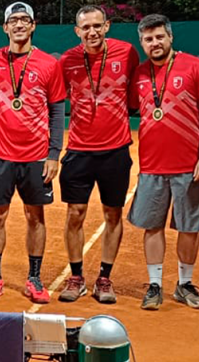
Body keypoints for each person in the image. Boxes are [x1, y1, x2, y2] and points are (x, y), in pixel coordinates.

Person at [128, 14, 199, 310]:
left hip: (189, 166)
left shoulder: (196, 67)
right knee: (152, 226)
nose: (154, 43)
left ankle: (184, 284)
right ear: (142, 42)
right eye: (148, 39)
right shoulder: (139, 74)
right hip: (151, 165)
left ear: (170, 37)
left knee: (188, 227)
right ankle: (155, 284)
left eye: (159, 37)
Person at [0, 2, 66, 304]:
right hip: (0, 154)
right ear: (5, 27)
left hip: (36, 156)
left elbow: (57, 110)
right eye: (13, 20)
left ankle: (34, 278)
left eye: (24, 20)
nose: (19, 24)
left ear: (33, 25)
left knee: (35, 216)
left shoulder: (48, 64)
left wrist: (53, 153)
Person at [57, 5, 139, 303]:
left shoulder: (126, 52)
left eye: (97, 26)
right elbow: (58, 100)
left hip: (115, 149)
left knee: (112, 214)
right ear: (77, 31)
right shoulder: (67, 61)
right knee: (75, 213)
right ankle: (77, 277)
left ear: (107, 26)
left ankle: (104, 278)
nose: (92, 32)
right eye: (85, 27)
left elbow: (134, 97)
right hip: (79, 150)